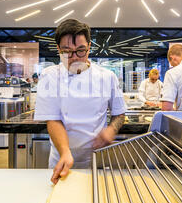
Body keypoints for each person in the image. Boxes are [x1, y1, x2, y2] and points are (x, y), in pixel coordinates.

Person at [34, 19, 126, 184]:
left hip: (95, 159)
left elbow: (119, 114)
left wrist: (111, 130)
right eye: (67, 51)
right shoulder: (50, 76)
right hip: (61, 159)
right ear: (58, 50)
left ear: (89, 47)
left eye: (81, 51)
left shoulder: (107, 77)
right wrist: (65, 152)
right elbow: (53, 120)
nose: (75, 57)